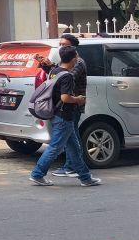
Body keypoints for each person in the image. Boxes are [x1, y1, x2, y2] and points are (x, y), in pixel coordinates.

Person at [30, 46, 101, 187]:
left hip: (58, 115)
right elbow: (65, 97)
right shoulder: (67, 76)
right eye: (77, 56)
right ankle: (37, 174)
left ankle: (86, 178)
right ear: (73, 58)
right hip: (64, 116)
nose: (78, 59)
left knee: (74, 148)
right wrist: (78, 99)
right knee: (55, 147)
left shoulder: (55, 72)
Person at [53, 33, 88, 178]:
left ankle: (71, 166)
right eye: (60, 45)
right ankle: (74, 167)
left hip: (73, 105)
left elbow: (65, 78)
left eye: (64, 45)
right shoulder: (66, 63)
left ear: (73, 48)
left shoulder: (78, 63)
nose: (61, 47)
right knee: (71, 137)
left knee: (71, 137)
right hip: (66, 105)